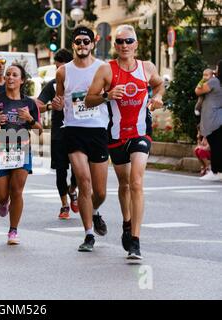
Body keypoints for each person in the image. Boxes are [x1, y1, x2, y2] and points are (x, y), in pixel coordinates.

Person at [85, 24, 165, 260]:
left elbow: (159, 84)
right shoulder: (106, 70)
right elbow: (89, 100)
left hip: (141, 132)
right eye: (119, 42)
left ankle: (136, 242)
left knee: (137, 181)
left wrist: (158, 96)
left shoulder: (147, 67)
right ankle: (127, 224)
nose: (124, 45)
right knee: (124, 184)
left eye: (128, 41)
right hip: (116, 134)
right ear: (114, 46)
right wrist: (107, 96)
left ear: (136, 44)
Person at [51, 26, 110, 253]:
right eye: (78, 41)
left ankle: (94, 212)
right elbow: (59, 100)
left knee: (101, 191)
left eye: (86, 41)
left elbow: (111, 96)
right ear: (73, 44)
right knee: (83, 182)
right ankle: (88, 234)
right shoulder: (63, 72)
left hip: (97, 130)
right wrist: (57, 105)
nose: (82, 45)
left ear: (92, 44)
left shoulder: (103, 68)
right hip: (73, 130)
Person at [0, 63, 42, 245]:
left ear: (22, 80)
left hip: (22, 149)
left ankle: (13, 230)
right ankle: (3, 203)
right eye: (8, 74)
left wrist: (30, 119)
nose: (10, 77)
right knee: (1, 195)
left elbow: (39, 130)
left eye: (14, 75)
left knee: (17, 191)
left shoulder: (29, 103)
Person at [36, 48, 79, 220]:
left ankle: (72, 190)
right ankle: (64, 205)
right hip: (58, 134)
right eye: (57, 67)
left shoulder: (80, 82)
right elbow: (37, 104)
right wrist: (49, 106)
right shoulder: (53, 84)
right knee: (61, 171)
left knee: (78, 169)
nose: (58, 71)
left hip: (77, 131)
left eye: (61, 67)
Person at [196, 59, 222, 181]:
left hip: (212, 118)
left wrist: (204, 77)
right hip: (219, 117)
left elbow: (198, 90)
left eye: (216, 68)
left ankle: (216, 172)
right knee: (218, 145)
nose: (214, 70)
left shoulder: (214, 81)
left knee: (215, 146)